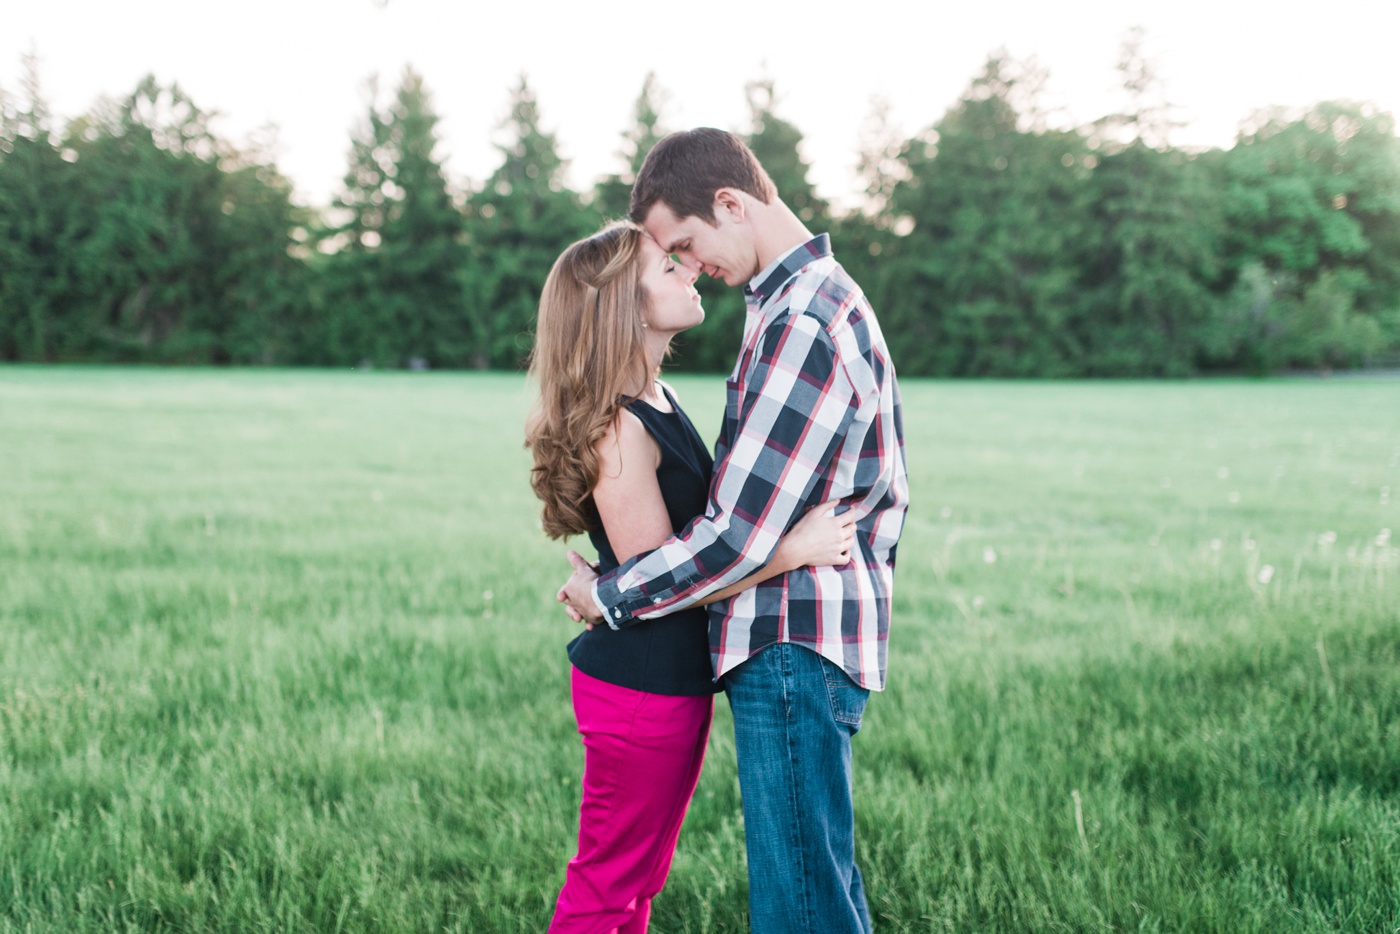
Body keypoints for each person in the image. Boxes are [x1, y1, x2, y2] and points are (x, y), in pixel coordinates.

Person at [557, 129, 909, 933]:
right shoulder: (787, 306)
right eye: (668, 259)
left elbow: (732, 539)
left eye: (685, 244)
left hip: (791, 637)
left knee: (803, 904)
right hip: (782, 635)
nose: (690, 265)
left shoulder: (803, 320)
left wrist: (608, 595)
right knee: (816, 890)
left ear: (730, 204)